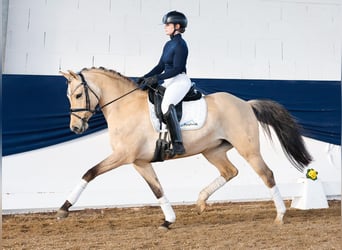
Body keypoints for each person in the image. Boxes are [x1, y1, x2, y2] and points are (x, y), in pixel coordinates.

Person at [138, 11, 191, 155]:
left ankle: (178, 143)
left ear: (177, 26)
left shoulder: (181, 44)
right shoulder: (168, 44)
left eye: (168, 24)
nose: (165, 27)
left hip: (179, 80)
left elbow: (178, 68)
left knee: (166, 105)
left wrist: (157, 78)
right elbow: (160, 66)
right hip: (168, 80)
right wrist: (145, 77)